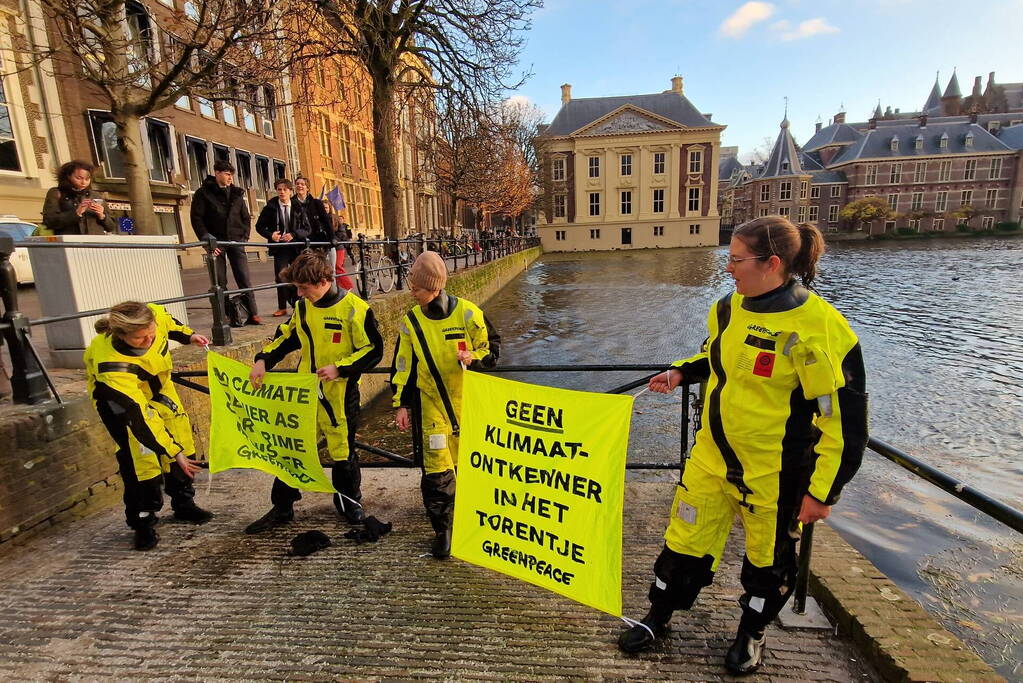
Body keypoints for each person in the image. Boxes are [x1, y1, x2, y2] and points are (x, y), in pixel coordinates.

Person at [616, 216, 868, 675]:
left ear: (772, 264)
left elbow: (843, 424)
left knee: (768, 565)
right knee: (682, 542)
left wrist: (822, 492)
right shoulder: (728, 308)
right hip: (710, 460)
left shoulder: (819, 328)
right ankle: (660, 615)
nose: (727, 267)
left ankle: (751, 632)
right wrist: (681, 372)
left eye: (735, 259)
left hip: (773, 473)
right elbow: (717, 355)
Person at [245, 250, 384, 533]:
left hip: (340, 395)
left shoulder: (354, 309)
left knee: (342, 451)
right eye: (296, 287)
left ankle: (349, 502)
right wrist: (263, 360)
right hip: (306, 393)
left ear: (323, 281)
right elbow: (287, 338)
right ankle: (282, 506)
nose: (298, 293)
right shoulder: (304, 309)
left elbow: (374, 350)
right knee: (292, 447)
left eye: (303, 287)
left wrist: (340, 369)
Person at [390, 251, 500, 559]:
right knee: (436, 471)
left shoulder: (467, 313)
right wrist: (402, 404)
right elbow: (403, 366)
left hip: (469, 404)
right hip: (431, 406)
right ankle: (443, 529)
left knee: (472, 465)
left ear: (434, 288)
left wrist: (474, 358)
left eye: (417, 288)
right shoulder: (411, 321)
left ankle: (475, 517)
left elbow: (492, 349)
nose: (411, 291)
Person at [84, 301, 214, 550]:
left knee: (184, 445)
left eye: (151, 334)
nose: (148, 341)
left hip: (161, 393)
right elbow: (139, 416)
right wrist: (171, 450)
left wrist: (189, 336)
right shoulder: (111, 366)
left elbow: (169, 325)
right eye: (139, 338)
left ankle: (183, 503)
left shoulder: (152, 318)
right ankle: (143, 521)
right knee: (141, 462)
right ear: (120, 335)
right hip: (124, 407)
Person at [190, 160, 261, 325]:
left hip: (236, 240)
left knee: (244, 277)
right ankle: (225, 316)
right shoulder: (203, 193)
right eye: (227, 174)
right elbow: (197, 218)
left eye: (232, 175)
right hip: (216, 242)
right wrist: (207, 241)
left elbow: (245, 216)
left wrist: (244, 237)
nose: (230, 178)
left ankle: (253, 313)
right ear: (217, 173)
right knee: (219, 281)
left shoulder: (236, 193)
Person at [256, 178, 311, 317]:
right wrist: (271, 235)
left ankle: (298, 304)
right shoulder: (270, 207)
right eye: (279, 189)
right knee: (280, 276)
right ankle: (282, 307)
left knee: (297, 275)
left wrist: (293, 234)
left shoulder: (298, 207)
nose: (282, 192)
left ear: (290, 191)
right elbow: (259, 226)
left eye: (285, 189)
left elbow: (307, 228)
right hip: (280, 247)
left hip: (295, 247)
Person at [42, 160, 117, 235]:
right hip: (70, 242)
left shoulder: (95, 195)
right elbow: (49, 221)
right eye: (79, 178)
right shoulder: (57, 192)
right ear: (68, 176)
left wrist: (102, 216)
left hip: (94, 243)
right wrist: (76, 213)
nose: (83, 182)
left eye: (87, 179)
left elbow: (111, 227)